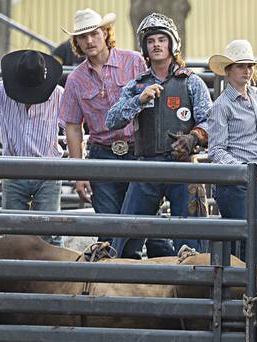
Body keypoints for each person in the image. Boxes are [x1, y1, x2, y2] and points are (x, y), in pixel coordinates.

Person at [105, 13, 211, 258]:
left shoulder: (191, 82)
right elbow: (112, 120)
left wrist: (194, 137)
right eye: (151, 40)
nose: (156, 45)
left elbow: (212, 122)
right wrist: (138, 101)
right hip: (146, 167)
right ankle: (123, 286)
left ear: (172, 45)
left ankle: (194, 288)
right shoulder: (137, 85)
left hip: (184, 167)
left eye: (162, 39)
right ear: (145, 47)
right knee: (127, 233)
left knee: (192, 239)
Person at [59, 8, 161, 249]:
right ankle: (111, 279)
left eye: (94, 33)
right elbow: (73, 127)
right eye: (82, 37)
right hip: (102, 154)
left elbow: (154, 107)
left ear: (105, 33)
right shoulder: (75, 79)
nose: (89, 41)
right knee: (108, 225)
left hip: (138, 152)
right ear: (77, 42)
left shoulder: (134, 61)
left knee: (142, 224)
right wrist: (79, 173)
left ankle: (141, 274)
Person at [0, 50, 64, 245]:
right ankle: (19, 273)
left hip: (47, 170)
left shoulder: (58, 95)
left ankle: (54, 274)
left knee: (50, 234)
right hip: (14, 170)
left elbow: (73, 124)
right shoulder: (0, 92)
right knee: (12, 233)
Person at [207, 39, 257, 255]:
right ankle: (245, 287)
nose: (247, 70)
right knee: (245, 243)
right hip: (236, 183)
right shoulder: (221, 106)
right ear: (229, 70)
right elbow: (216, 150)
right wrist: (244, 169)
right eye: (241, 66)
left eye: (250, 66)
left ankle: (256, 286)